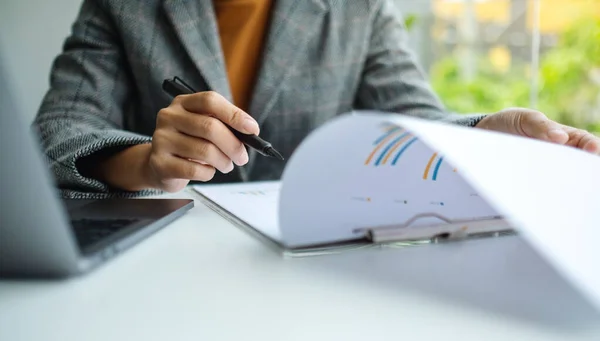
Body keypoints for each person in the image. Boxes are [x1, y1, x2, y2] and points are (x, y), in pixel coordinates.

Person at [35, 0, 599, 198]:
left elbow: (414, 120)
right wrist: (147, 163)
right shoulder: (123, 5)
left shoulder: (358, 7)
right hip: (157, 267)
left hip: (309, 268)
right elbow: (55, 130)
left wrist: (483, 137)